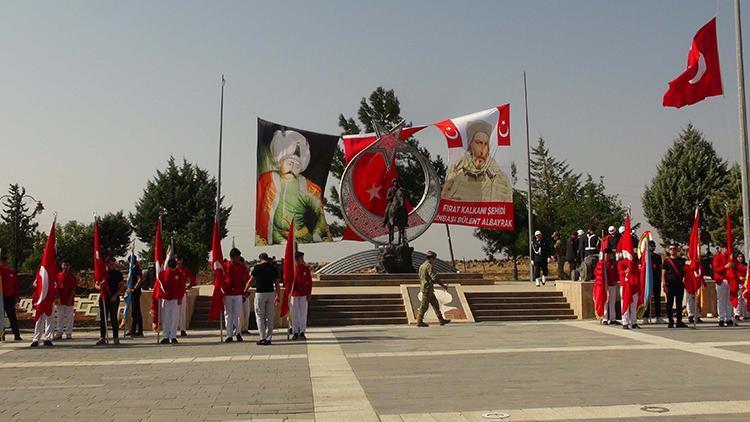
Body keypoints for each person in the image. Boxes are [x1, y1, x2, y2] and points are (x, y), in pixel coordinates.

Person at [255, 129, 333, 245]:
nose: (292, 167)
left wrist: (317, 233)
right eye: (289, 163)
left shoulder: (307, 186)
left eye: (297, 165)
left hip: (300, 237)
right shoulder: (268, 179)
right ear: (280, 162)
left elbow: (320, 214)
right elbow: (262, 210)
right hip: (274, 235)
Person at [441, 119, 512, 202]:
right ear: (470, 144)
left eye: (486, 144)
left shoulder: (499, 178)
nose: (482, 150)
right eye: (478, 143)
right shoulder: (455, 173)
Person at [248, 252, 280, 345]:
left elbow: (251, 281)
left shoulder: (257, 268)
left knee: (260, 316)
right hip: (270, 293)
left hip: (260, 293)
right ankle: (269, 337)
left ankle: (263, 337)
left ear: (260, 258)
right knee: (270, 316)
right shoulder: (273, 268)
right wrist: (278, 295)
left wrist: (245, 290)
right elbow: (277, 283)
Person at [416, 251, 451, 327]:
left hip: (427, 288)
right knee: (424, 305)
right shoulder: (429, 266)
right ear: (431, 258)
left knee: (435, 304)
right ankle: (419, 321)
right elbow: (434, 277)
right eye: (434, 259)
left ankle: (441, 320)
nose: (434, 260)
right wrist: (443, 285)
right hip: (427, 289)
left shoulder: (421, 266)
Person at [96, 257, 125, 346]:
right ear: (106, 264)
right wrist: (99, 287)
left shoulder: (117, 274)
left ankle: (115, 337)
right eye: (111, 264)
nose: (112, 266)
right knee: (103, 318)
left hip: (114, 297)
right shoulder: (102, 273)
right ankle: (102, 337)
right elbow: (96, 284)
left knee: (113, 318)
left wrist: (116, 295)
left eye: (113, 264)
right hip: (104, 297)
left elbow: (122, 286)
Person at [223, 248, 249, 342]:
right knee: (228, 314)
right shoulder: (225, 266)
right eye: (237, 257)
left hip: (238, 293)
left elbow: (246, 279)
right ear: (232, 258)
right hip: (228, 293)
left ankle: (238, 333)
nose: (238, 259)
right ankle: (229, 335)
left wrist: (245, 292)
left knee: (238, 314)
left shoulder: (242, 266)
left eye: (239, 257)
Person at [158, 258, 184, 344]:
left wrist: (180, 298)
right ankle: (166, 336)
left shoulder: (179, 274)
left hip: (175, 299)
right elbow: (160, 284)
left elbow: (181, 287)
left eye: (173, 267)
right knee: (166, 318)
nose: (172, 269)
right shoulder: (162, 274)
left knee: (175, 318)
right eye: (171, 268)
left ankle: (173, 336)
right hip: (166, 299)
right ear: (168, 266)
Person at [30, 267, 58, 348]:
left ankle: (47, 338)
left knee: (49, 319)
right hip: (40, 298)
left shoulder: (53, 271)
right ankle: (36, 339)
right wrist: (39, 287)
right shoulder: (40, 271)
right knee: (39, 319)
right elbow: (35, 283)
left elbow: (55, 284)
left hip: (49, 298)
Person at [662, 244, 688, 328]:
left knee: (679, 304)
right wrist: (664, 284)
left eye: (674, 249)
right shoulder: (666, 261)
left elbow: (687, 269)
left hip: (679, 284)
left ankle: (679, 321)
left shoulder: (682, 260)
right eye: (670, 249)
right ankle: (670, 321)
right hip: (670, 285)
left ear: (677, 250)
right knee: (669, 303)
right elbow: (663, 273)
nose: (672, 250)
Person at [290, 251, 313, 340]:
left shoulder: (305, 268)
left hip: (303, 294)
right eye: (301, 258)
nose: (302, 260)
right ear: (296, 259)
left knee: (303, 314)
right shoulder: (292, 269)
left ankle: (302, 332)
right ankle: (295, 331)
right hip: (294, 293)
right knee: (294, 313)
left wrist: (309, 293)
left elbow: (309, 281)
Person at [712, 245, 735, 327]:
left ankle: (728, 318)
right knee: (721, 300)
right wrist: (725, 267)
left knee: (729, 300)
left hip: (730, 280)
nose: (727, 250)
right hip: (721, 280)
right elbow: (716, 269)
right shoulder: (717, 258)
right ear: (722, 249)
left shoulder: (730, 258)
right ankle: (721, 318)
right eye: (725, 248)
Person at [54, 260, 77, 340]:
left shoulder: (72, 277)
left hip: (69, 300)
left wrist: (70, 300)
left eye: (67, 265)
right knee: (60, 317)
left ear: (69, 266)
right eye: (64, 265)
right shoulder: (58, 275)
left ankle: (68, 333)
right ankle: (59, 332)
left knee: (69, 317)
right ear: (62, 266)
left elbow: (73, 289)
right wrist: (57, 298)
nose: (65, 267)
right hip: (60, 300)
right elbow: (55, 288)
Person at [0, 255, 22, 340]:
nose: (5, 263)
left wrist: (16, 296)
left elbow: (15, 285)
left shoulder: (10, 272)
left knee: (12, 316)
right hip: (1, 297)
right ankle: (2, 334)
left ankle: (16, 334)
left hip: (8, 297)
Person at [643, 241, 664, 323]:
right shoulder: (644, 256)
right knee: (647, 298)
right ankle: (645, 316)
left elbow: (660, 268)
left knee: (657, 298)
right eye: (651, 246)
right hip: (647, 280)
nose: (652, 247)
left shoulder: (657, 257)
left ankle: (658, 316)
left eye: (653, 246)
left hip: (656, 279)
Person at [175, 254, 196, 337]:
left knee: (182, 312)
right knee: (174, 312)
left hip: (182, 293)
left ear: (182, 260)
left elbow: (193, 280)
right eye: (177, 260)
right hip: (173, 294)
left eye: (179, 259)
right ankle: (173, 329)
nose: (178, 261)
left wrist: (188, 287)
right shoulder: (172, 269)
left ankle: (182, 329)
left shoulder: (185, 270)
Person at [125, 256, 144, 337]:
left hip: (135, 292)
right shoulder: (132, 268)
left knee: (136, 311)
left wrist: (134, 288)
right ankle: (133, 329)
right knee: (134, 312)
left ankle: (139, 331)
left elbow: (140, 279)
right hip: (131, 292)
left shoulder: (136, 268)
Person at [735, 252, 747, 321]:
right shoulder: (735, 265)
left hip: (745, 283)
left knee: (744, 299)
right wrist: (739, 278)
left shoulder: (746, 265)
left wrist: (745, 278)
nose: (740, 258)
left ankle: (744, 314)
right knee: (738, 299)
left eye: (741, 257)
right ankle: (737, 314)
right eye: (739, 257)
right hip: (738, 283)